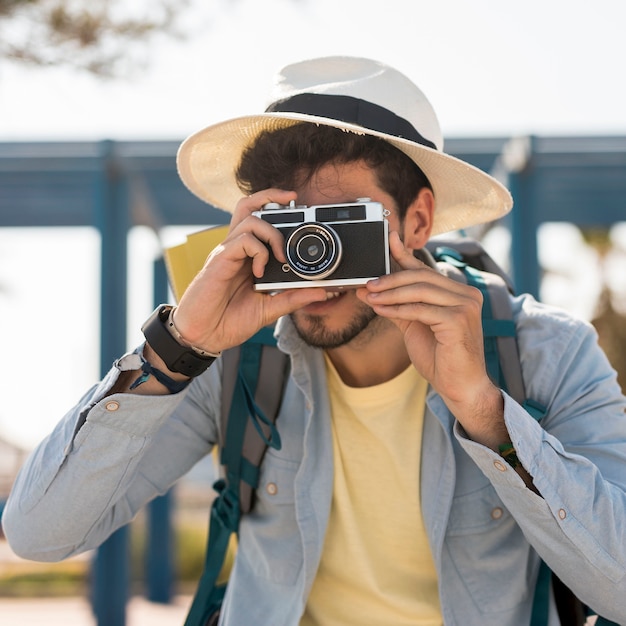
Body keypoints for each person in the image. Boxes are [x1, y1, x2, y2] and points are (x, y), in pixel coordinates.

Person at [2, 56, 626, 626]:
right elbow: (37, 534)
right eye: (290, 228)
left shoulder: (546, 350)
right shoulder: (230, 356)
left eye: (342, 227)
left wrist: (488, 415)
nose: (315, 259)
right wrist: (179, 346)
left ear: (417, 220)